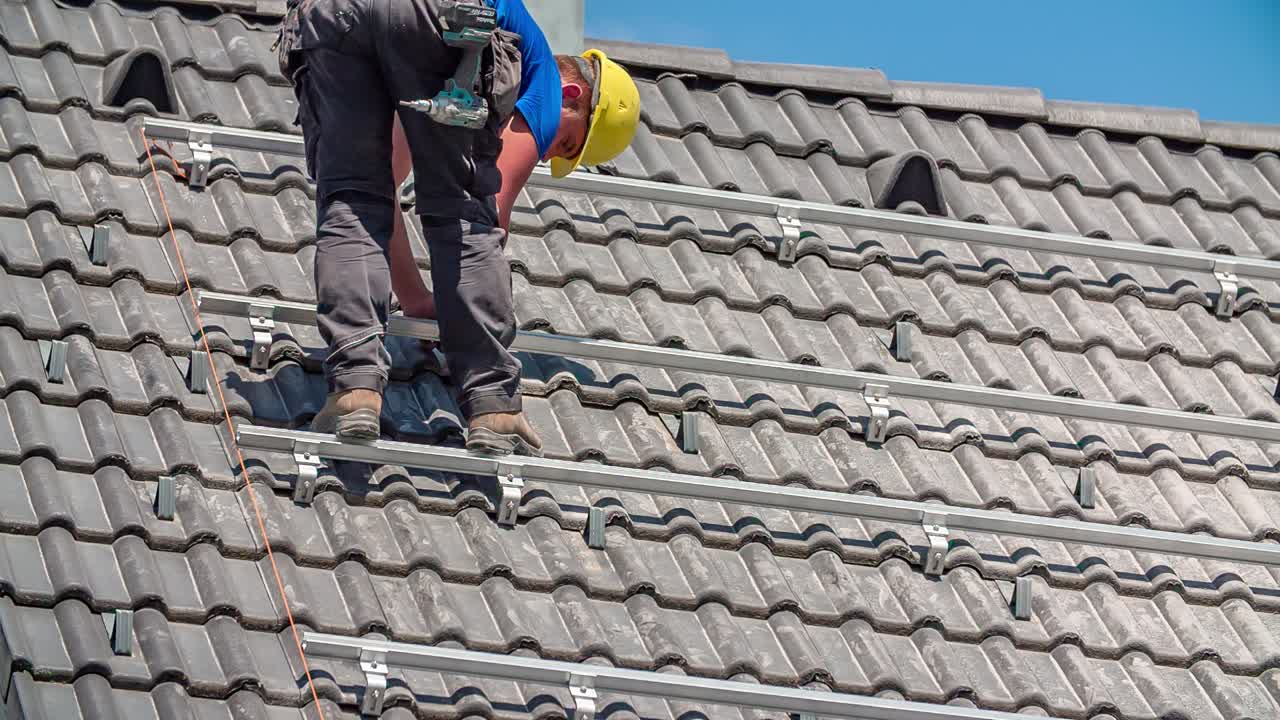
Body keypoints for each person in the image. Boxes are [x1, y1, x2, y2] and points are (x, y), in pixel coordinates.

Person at [274, 0, 640, 456]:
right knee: (465, 212)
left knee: (352, 198)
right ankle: (493, 408)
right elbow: (487, 218)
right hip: (441, 10)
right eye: (564, 141)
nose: (546, 153)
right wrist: (465, 319)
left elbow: (383, 192)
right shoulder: (545, 80)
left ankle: (355, 390)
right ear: (571, 94)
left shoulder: (406, 68)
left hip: (334, 11)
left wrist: (415, 299)